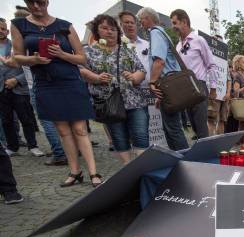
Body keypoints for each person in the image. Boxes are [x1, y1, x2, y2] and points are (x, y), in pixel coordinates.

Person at [11, 0, 101, 188]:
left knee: (80, 129)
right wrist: (33, 59)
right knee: (62, 130)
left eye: (40, 2)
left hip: (70, 82)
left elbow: (82, 57)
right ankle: (75, 172)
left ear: (47, 1)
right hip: (46, 84)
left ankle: (93, 172)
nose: (36, 6)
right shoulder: (19, 24)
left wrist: (61, 54)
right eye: (31, 2)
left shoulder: (64, 25)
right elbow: (17, 57)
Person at [80, 14, 148, 165]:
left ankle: (143, 169)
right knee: (119, 137)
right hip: (109, 102)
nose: (110, 32)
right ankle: (127, 168)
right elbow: (81, 71)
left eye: (113, 29)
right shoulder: (89, 51)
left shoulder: (126, 49)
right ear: (97, 31)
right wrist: (96, 78)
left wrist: (135, 77)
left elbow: (141, 70)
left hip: (134, 100)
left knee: (141, 135)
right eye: (104, 28)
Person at [12, 6, 66, 166]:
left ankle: (59, 152)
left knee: (47, 121)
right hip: (53, 81)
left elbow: (17, 61)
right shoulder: (39, 36)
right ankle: (69, 149)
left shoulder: (26, 39)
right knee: (62, 119)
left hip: (38, 84)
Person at [137, 7, 188, 151]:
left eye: (142, 20)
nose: (141, 24)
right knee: (171, 128)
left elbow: (159, 61)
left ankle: (185, 162)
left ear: (148, 18)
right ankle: (179, 160)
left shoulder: (155, 32)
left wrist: (152, 82)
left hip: (168, 84)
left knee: (173, 128)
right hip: (170, 85)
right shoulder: (162, 33)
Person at [0, 18, 44, 158]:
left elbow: (30, 68)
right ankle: (12, 147)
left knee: (26, 119)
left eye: (2, 28)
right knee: (6, 121)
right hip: (1, 90)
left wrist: (17, 80)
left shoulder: (17, 46)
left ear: (7, 30)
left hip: (19, 88)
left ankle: (33, 146)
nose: (0, 31)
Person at [170, 9, 217, 139]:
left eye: (175, 23)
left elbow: (211, 65)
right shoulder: (178, 45)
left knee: (201, 127)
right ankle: (201, 153)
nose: (173, 27)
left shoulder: (199, 40)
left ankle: (204, 157)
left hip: (199, 86)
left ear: (184, 22)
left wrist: (213, 88)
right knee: (195, 128)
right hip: (185, 89)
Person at [230, 54, 244, 149]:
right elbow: (236, 91)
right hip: (242, 103)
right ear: (238, 64)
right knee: (243, 124)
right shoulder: (237, 76)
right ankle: (241, 144)